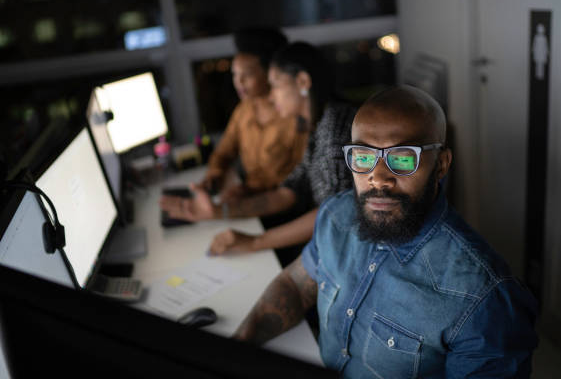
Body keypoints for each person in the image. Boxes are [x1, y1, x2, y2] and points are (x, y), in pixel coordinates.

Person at [232, 86, 539, 378]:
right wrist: (236, 346)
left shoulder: (484, 297)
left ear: (442, 164)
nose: (378, 178)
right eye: (363, 158)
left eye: (403, 158)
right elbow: (296, 285)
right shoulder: (336, 216)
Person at [160, 42, 357, 264]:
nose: (271, 97)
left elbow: (333, 216)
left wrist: (255, 242)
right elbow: (288, 192)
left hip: (343, 253)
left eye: (275, 86)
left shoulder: (335, 127)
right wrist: (218, 211)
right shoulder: (315, 126)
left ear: (302, 82)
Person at [201, 27, 308, 202]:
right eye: (235, 74)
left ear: (270, 73)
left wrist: (248, 191)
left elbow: (298, 183)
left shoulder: (294, 116)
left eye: (247, 75)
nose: (239, 82)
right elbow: (224, 152)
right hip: (246, 197)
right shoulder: (244, 109)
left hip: (277, 206)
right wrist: (215, 173)